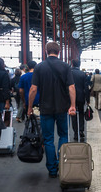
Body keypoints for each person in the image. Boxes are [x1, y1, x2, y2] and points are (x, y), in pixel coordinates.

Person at [27, 42, 76, 178]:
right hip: (62, 108)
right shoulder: (66, 66)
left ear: (46, 51)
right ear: (59, 52)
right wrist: (72, 105)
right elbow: (71, 88)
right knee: (63, 136)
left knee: (48, 139)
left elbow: (33, 89)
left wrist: (30, 108)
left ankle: (52, 170)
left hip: (46, 109)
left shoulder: (39, 67)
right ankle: (62, 164)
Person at [71, 59, 90, 141]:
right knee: (81, 114)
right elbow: (86, 88)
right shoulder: (83, 74)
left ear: (72, 64)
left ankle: (75, 133)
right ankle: (81, 131)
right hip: (81, 97)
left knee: (73, 114)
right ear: (79, 64)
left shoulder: (69, 73)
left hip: (71, 98)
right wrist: (87, 99)